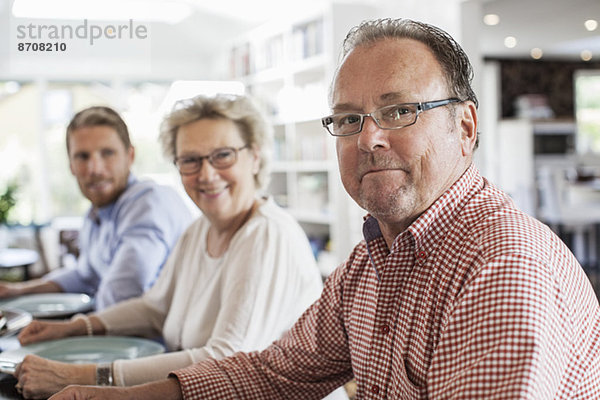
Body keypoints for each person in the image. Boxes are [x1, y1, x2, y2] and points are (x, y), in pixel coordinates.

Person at [50, 18, 600, 400]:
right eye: (348, 119)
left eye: (399, 111)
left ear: (465, 128)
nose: (369, 139)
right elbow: (274, 376)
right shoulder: (370, 263)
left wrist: (104, 378)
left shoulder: (501, 267)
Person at [14, 94, 328, 400]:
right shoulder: (200, 229)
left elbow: (226, 360)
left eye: (223, 155)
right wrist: (73, 328)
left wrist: (84, 377)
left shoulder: (267, 233)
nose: (206, 174)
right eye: (190, 160)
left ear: (255, 157)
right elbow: (154, 308)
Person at [0, 106, 191, 310]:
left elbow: (125, 291)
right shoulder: (95, 215)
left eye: (107, 153)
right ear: (71, 166)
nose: (94, 169)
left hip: (165, 340)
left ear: (130, 156)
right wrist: (16, 291)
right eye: (82, 156)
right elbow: (84, 276)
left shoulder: (149, 202)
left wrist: (71, 328)